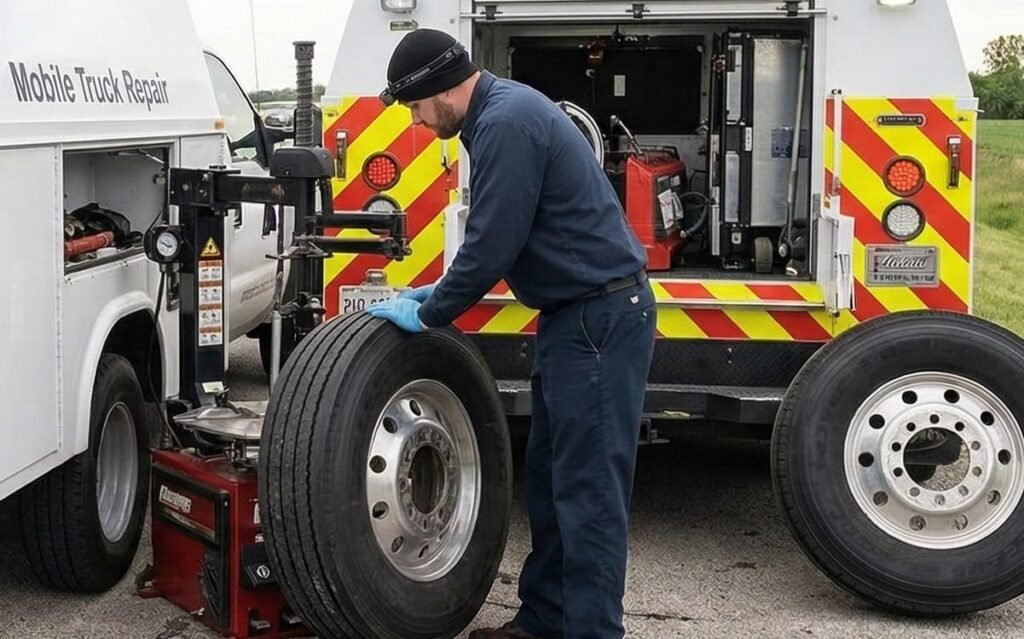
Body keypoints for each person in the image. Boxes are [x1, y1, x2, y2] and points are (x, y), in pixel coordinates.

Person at [367, 28, 657, 639]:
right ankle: (546, 620)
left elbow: (493, 242)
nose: (419, 122)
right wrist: (438, 291)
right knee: (552, 481)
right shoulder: (499, 116)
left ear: (438, 89)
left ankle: (591, 632)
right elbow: (507, 233)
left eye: (417, 108)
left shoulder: (505, 122)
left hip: (599, 322)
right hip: (573, 320)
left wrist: (432, 311)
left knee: (590, 496)